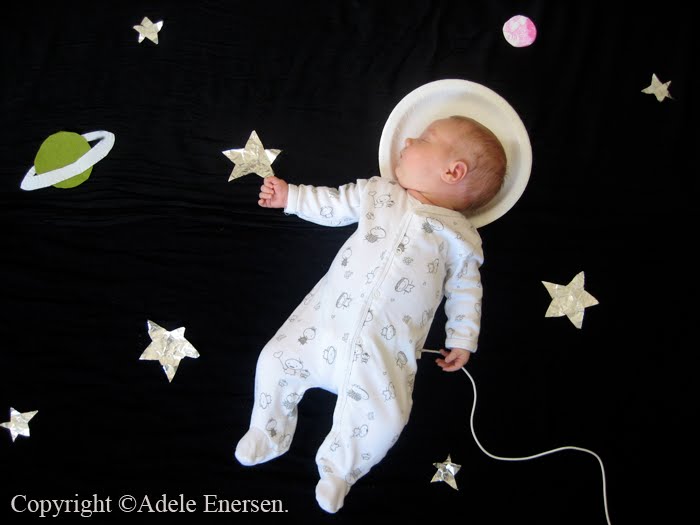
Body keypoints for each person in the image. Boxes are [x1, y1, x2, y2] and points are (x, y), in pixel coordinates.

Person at [235, 116, 507, 513]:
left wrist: (462, 338)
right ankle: (266, 430)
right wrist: (291, 197)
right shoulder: (380, 194)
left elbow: (466, 291)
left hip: (383, 356)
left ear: (453, 171)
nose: (408, 139)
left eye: (425, 138)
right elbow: (334, 204)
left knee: (388, 418)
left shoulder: (461, 240)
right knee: (275, 359)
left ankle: (340, 471)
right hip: (322, 327)